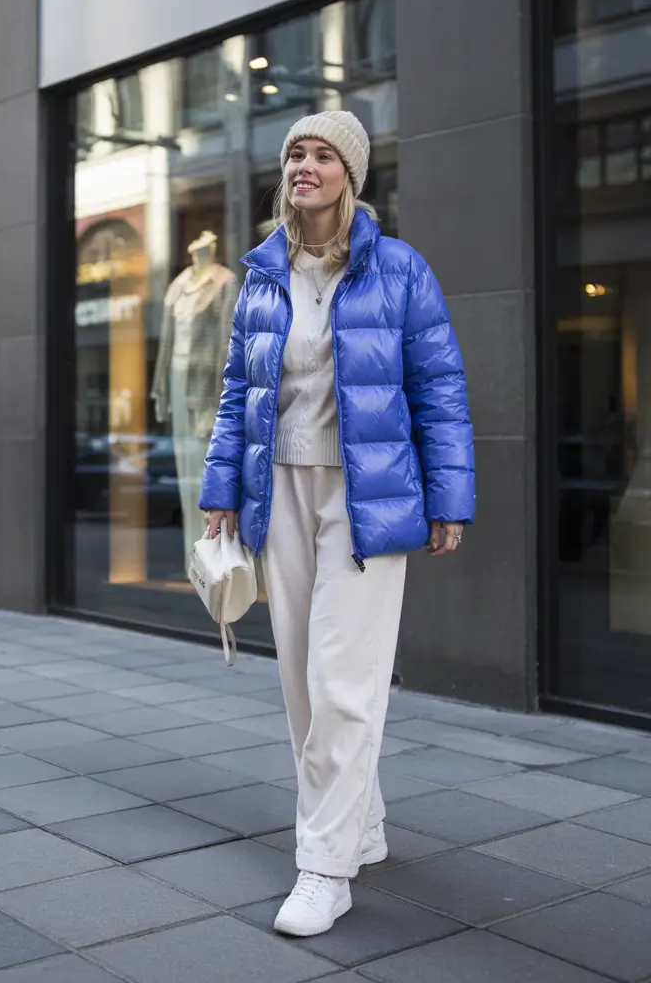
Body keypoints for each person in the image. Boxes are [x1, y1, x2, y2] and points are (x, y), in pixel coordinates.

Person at [199, 111, 475, 938]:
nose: (303, 166)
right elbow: (234, 396)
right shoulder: (261, 275)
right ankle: (362, 819)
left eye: (320, 155)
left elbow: (440, 388)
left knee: (341, 683)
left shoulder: (399, 270)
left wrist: (447, 498)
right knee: (299, 683)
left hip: (368, 497)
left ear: (350, 174)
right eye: (294, 153)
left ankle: (324, 868)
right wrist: (220, 489)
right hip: (276, 487)